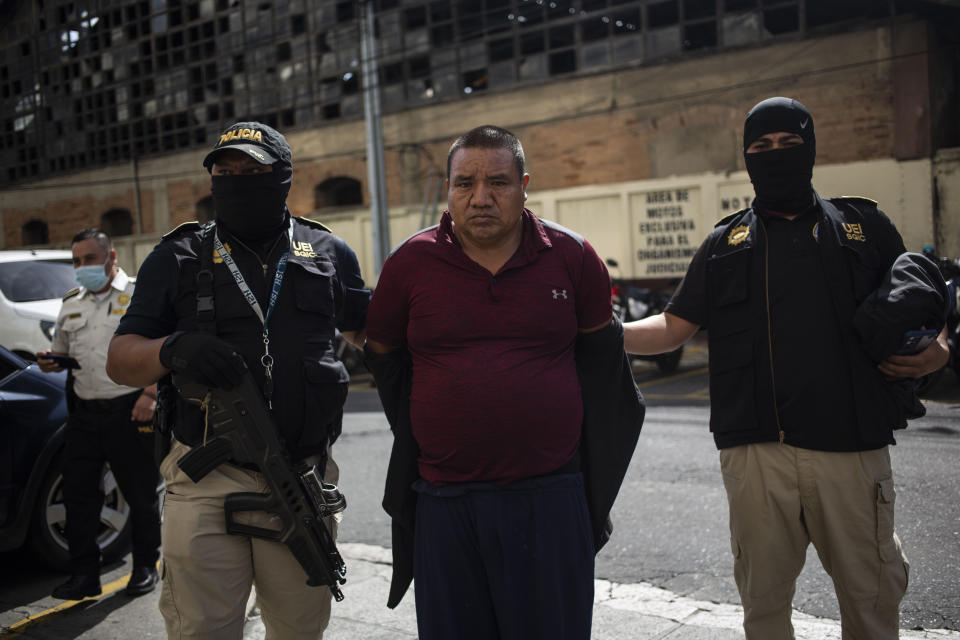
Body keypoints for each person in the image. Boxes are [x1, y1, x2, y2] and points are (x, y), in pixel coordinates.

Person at [623, 97, 950, 639]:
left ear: (811, 149)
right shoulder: (723, 244)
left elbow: (923, 300)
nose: (775, 155)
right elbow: (672, 328)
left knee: (871, 601)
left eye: (789, 144)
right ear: (747, 157)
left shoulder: (863, 226)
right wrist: (598, 332)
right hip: (755, 457)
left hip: (852, 451)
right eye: (761, 147)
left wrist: (939, 349)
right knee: (764, 607)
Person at [364, 125, 644, 640]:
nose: (481, 198)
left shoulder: (573, 258)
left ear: (524, 185)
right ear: (448, 189)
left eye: (498, 182)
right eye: (464, 183)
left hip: (551, 498)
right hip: (445, 502)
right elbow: (385, 361)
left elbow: (602, 372)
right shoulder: (409, 265)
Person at [105, 121, 369, 639]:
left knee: (299, 628)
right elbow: (120, 360)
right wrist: (173, 348)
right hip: (207, 476)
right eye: (225, 172)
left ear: (284, 178)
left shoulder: (328, 252)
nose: (236, 181)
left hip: (301, 475)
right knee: (202, 629)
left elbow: (372, 335)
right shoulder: (178, 256)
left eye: (252, 171)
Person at [37, 228, 161, 600]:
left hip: (130, 408)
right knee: (78, 496)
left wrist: (150, 394)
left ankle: (144, 567)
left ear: (111, 258)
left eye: (89, 259)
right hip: (84, 412)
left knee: (139, 494)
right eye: (76, 261)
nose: (81, 268)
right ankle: (85, 576)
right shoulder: (71, 302)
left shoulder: (139, 295)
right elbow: (63, 353)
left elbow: (159, 348)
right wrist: (50, 363)